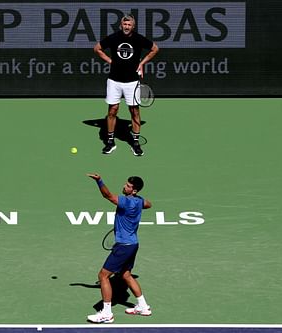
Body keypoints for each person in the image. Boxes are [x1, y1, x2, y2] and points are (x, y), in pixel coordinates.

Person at [86, 173, 152, 324]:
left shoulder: (126, 202)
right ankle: (143, 306)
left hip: (123, 246)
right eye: (126, 184)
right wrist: (139, 201)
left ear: (134, 190)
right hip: (133, 244)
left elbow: (107, 195)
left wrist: (99, 181)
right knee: (126, 275)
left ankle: (106, 314)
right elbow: (149, 204)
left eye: (128, 186)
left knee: (103, 276)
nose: (125, 186)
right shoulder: (139, 201)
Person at [94, 14, 159, 156]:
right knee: (112, 111)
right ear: (121, 25)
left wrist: (142, 63)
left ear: (133, 26)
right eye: (125, 24)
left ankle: (135, 143)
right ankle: (110, 142)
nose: (127, 27)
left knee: (134, 111)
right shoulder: (114, 38)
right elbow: (97, 48)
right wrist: (110, 61)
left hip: (132, 82)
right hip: (114, 81)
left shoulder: (138, 39)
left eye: (129, 25)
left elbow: (155, 49)